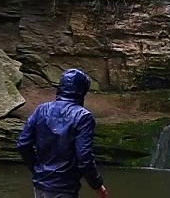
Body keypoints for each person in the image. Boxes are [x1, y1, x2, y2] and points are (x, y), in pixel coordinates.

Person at [16, 68, 109, 198]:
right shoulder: (83, 117)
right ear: (81, 91)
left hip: (41, 185)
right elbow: (84, 157)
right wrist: (97, 185)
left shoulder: (41, 110)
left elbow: (22, 144)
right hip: (64, 188)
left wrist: (38, 170)